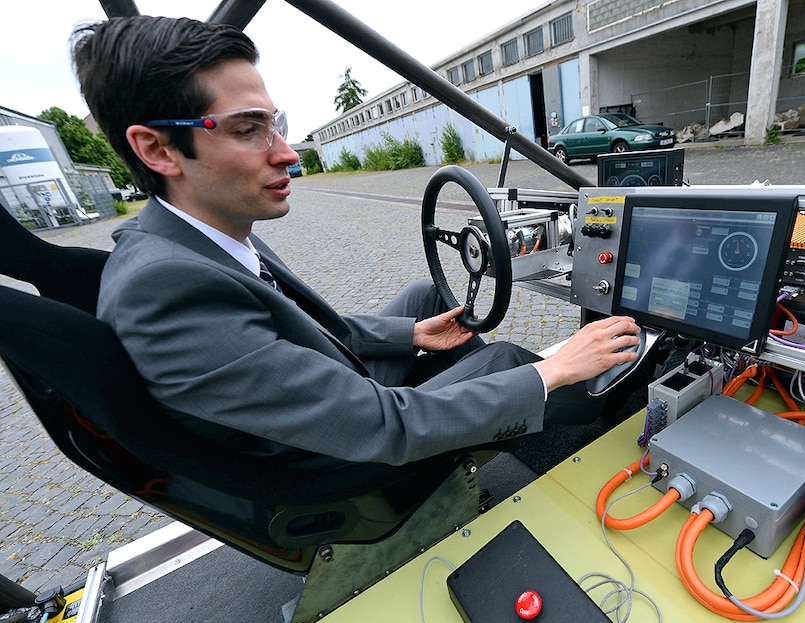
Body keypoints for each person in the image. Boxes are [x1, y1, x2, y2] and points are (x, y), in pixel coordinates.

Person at [70, 15, 640, 468]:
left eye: (276, 122)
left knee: (427, 298)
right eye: (248, 130)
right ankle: (584, 441)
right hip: (337, 458)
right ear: (158, 151)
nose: (289, 154)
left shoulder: (202, 231)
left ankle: (485, 413)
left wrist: (411, 335)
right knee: (510, 360)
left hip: (326, 392)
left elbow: (294, 332)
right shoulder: (163, 288)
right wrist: (557, 367)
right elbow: (384, 425)